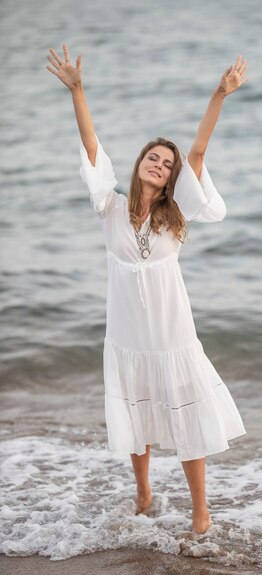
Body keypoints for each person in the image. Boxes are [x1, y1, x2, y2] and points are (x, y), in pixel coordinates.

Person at [46, 44, 249, 534]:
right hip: (128, 333)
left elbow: (197, 151)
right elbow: (92, 148)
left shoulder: (174, 218)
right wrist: (78, 90)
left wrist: (218, 95)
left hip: (171, 335)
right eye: (152, 157)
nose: (159, 163)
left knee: (186, 419)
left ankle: (201, 514)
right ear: (138, 163)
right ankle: (143, 494)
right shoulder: (111, 209)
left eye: (166, 163)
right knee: (135, 414)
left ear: (173, 179)